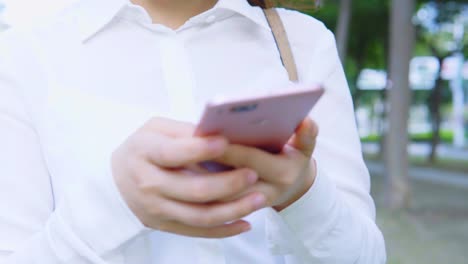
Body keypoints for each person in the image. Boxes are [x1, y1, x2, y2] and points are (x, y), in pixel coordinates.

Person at [0, 0, 386, 263]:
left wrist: (302, 192)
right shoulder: (25, 51)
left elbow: (365, 257)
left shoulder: (304, 44)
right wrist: (114, 205)